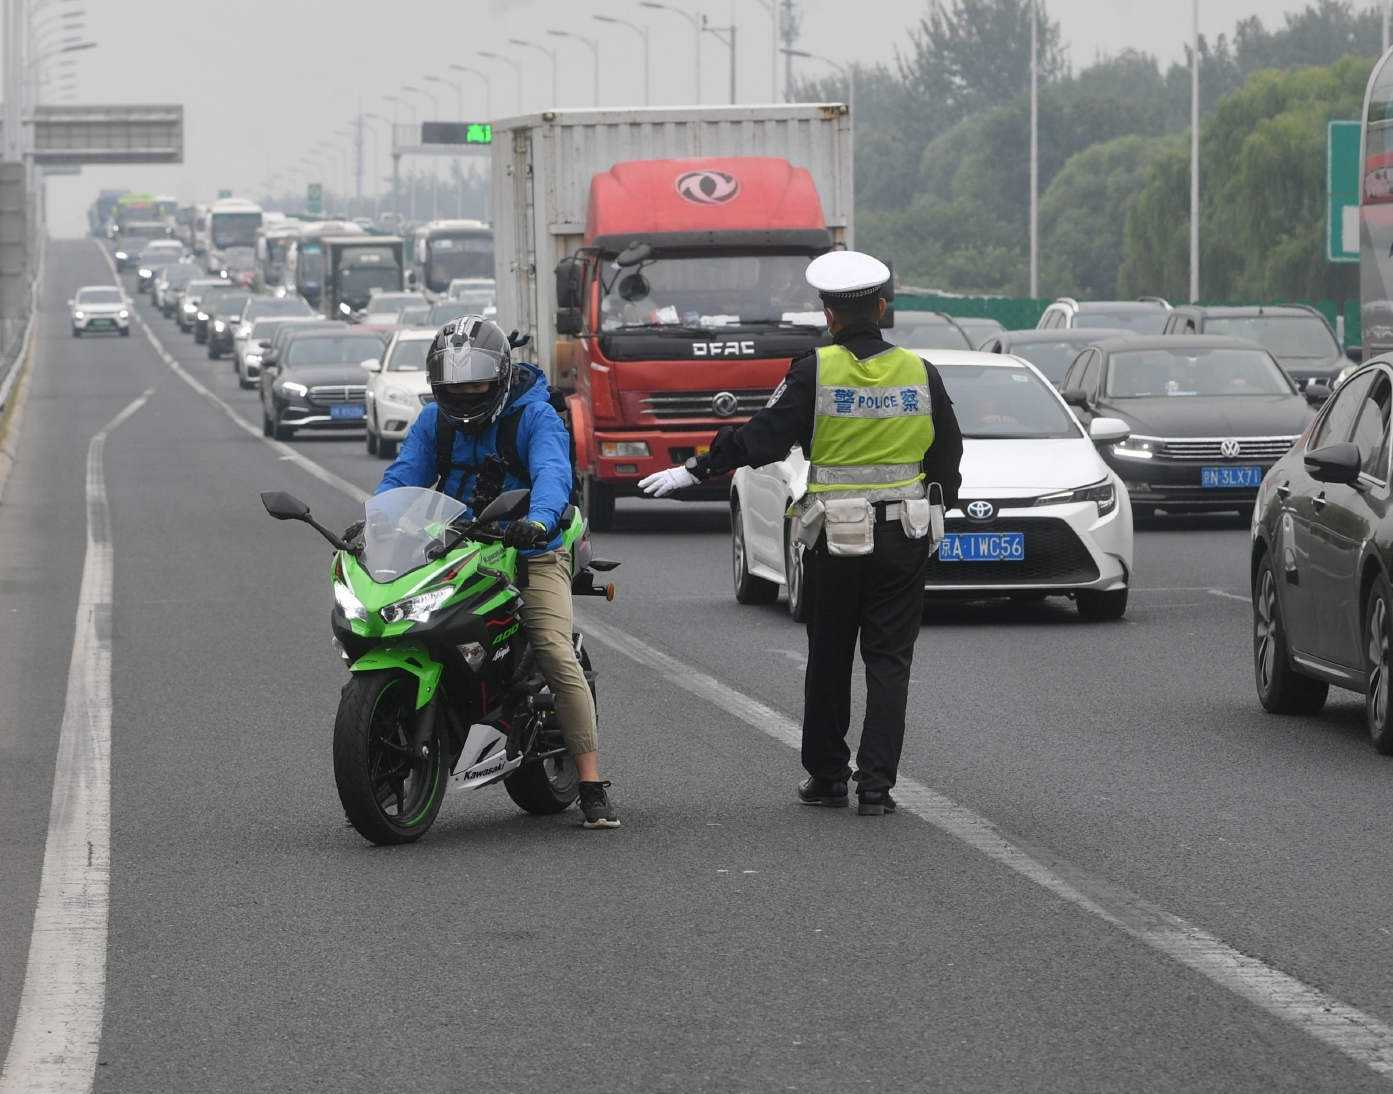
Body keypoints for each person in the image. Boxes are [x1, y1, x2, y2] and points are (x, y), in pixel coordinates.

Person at [637, 251, 963, 816]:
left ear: (829, 315)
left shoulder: (814, 370)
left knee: (831, 656)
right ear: (882, 309)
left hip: (835, 541)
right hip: (903, 538)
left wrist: (693, 469)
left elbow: (761, 439)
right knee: (889, 661)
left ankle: (830, 776)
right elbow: (949, 456)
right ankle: (878, 787)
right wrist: (933, 511)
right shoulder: (921, 372)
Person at [376, 316, 618, 829]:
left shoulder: (535, 416)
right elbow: (403, 475)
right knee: (397, 619)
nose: (465, 391)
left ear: (502, 374)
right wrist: (376, 519)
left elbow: (554, 473)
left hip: (531, 546)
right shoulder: (432, 422)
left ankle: (592, 782)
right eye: (453, 381)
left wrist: (537, 521)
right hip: (455, 542)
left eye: (477, 380)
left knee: (552, 647)